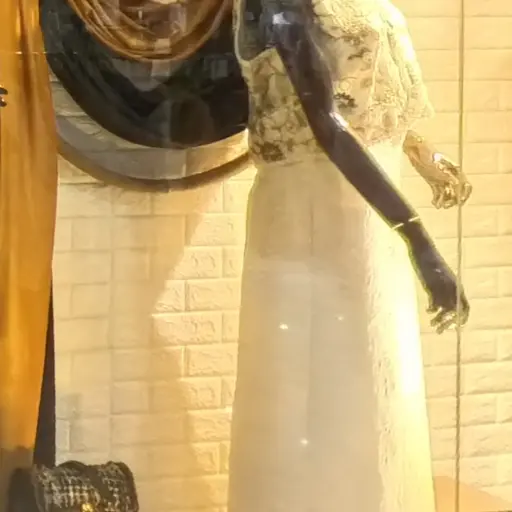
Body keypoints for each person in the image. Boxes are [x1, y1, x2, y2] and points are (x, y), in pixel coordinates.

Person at [228, 0, 469, 511]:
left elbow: (357, 97)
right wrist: (418, 240)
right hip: (315, 207)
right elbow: (325, 122)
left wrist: (419, 152)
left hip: (368, 199)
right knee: (319, 388)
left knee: (374, 381)